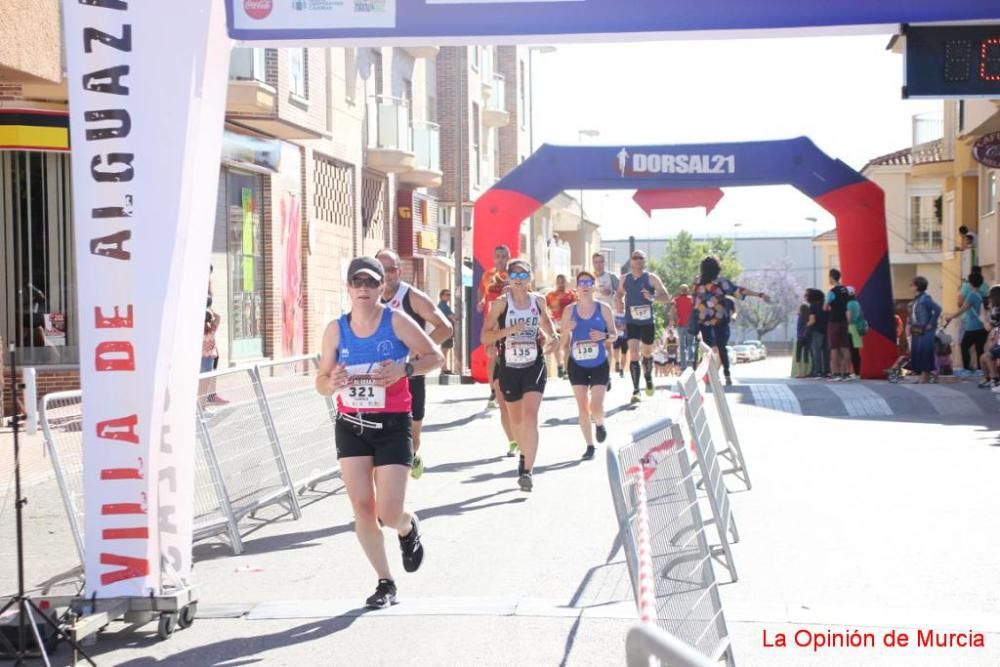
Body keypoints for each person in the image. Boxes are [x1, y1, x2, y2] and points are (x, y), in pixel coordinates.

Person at [315, 256, 443, 609]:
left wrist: (405, 368)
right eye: (357, 282)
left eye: (371, 282)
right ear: (348, 288)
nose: (364, 289)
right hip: (352, 425)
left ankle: (406, 527)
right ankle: (385, 582)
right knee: (362, 507)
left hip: (391, 425)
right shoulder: (335, 329)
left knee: (388, 512)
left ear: (380, 288)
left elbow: (435, 358)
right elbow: (321, 382)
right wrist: (332, 382)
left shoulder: (395, 321)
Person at [375, 250, 454, 480]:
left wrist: (418, 352)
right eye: (381, 269)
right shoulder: (369, 297)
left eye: (390, 269)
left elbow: (445, 327)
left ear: (399, 271)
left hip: (411, 376)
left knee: (412, 434)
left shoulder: (412, 297)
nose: (386, 275)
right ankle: (389, 481)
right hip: (380, 377)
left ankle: (411, 455)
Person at [482, 259, 558, 492]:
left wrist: (552, 339)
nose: (518, 278)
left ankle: (527, 470)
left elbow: (548, 327)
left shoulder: (539, 301)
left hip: (534, 364)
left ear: (529, 278)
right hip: (509, 366)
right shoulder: (501, 305)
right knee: (516, 421)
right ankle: (523, 452)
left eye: (523, 275)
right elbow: (485, 336)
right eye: (513, 274)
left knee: (531, 417)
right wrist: (508, 331)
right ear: (508, 278)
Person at [560, 270, 617, 461]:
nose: (584, 286)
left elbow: (615, 335)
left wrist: (603, 337)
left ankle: (600, 423)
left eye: (588, 283)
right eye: (581, 283)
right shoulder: (569, 310)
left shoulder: (604, 309)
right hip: (577, 364)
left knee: (596, 406)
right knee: (582, 407)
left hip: (599, 362)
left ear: (593, 287)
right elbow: (562, 338)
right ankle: (589, 446)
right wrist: (568, 328)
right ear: (576, 288)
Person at [691, 256, 769, 386]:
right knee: (722, 348)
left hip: (703, 321)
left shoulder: (697, 283)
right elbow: (738, 291)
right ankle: (726, 374)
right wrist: (758, 294)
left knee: (706, 349)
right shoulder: (722, 283)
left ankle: (705, 376)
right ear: (717, 268)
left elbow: (695, 302)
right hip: (719, 321)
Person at [615, 250, 671, 403]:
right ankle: (636, 390)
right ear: (631, 261)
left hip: (647, 322)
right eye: (635, 258)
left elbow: (666, 297)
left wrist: (652, 297)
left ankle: (648, 377)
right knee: (633, 353)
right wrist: (618, 301)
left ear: (644, 261)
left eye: (641, 258)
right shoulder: (624, 279)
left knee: (646, 353)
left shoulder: (652, 278)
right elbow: (619, 293)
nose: (638, 260)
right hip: (632, 321)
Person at [478, 244, 511, 410]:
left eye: (503, 256)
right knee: (492, 355)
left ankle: (506, 389)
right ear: (494, 257)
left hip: (508, 322)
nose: (500, 259)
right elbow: (481, 292)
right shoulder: (488, 275)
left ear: (508, 258)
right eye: (498, 256)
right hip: (491, 321)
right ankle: (492, 391)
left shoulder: (513, 275)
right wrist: (481, 301)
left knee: (505, 355)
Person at [944, 270, 987, 374]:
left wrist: (951, 316)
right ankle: (980, 370)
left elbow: (963, 309)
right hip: (983, 326)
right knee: (979, 348)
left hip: (972, 326)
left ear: (970, 283)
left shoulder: (972, 295)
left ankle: (967, 369)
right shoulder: (982, 294)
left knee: (964, 346)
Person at [907, 275, 942, 384]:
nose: (910, 286)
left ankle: (925, 375)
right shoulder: (917, 299)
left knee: (925, 352)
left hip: (925, 330)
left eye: (912, 285)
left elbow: (937, 309)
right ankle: (922, 375)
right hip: (917, 329)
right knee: (917, 352)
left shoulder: (925, 298)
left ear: (917, 286)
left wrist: (931, 323)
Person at [545, 274, 577, 379]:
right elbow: (544, 307)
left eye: (563, 281)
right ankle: (559, 365)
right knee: (556, 345)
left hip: (566, 323)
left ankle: (567, 369)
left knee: (567, 346)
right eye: (559, 282)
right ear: (556, 282)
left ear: (566, 282)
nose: (561, 284)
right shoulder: (550, 295)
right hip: (555, 324)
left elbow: (576, 307)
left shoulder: (571, 295)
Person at [824, 269, 852, 381]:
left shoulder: (832, 292)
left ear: (831, 277)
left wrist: (831, 306)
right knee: (846, 348)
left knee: (834, 348)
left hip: (834, 322)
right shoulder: (846, 290)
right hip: (844, 322)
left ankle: (835, 373)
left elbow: (825, 308)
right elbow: (848, 307)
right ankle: (846, 373)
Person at [199, 309, 223, 407]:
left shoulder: (198, 330)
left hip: (199, 360)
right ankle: (202, 408)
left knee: (198, 386)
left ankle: (198, 409)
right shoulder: (212, 329)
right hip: (208, 360)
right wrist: (210, 308)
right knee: (204, 387)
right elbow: (218, 316)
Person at [978, 285, 1000, 391]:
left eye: (990, 297)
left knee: (987, 356)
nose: (989, 299)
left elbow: (988, 327)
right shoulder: (996, 309)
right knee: (983, 357)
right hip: (997, 339)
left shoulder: (997, 310)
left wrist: (982, 315)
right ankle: (989, 378)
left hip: (998, 340)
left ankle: (995, 380)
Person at [806, 289, 830, 379]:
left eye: (807, 295)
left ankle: (818, 371)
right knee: (826, 352)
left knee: (816, 351)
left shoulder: (813, 306)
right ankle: (827, 371)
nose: (806, 297)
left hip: (817, 331)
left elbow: (812, 321)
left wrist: (806, 325)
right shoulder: (825, 305)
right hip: (826, 330)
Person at [673, 284, 695, 370]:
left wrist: (674, 320)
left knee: (682, 346)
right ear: (688, 290)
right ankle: (691, 362)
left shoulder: (676, 300)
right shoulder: (692, 300)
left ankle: (683, 365)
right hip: (690, 325)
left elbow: (674, 312)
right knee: (690, 344)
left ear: (680, 291)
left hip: (680, 325)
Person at [845, 286, 864, 380]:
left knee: (850, 351)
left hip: (851, 328)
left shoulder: (849, 304)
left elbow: (849, 318)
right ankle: (857, 372)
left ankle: (852, 372)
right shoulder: (857, 303)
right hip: (857, 328)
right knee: (855, 351)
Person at [437, 289, 458, 374]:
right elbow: (452, 316)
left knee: (446, 349)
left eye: (449, 294)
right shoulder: (443, 305)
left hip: (446, 330)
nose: (448, 296)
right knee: (445, 349)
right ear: (442, 296)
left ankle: (444, 367)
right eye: (446, 294)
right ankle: (444, 368)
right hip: (445, 330)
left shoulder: (445, 305)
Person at [792, 303, 811, 378]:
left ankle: (799, 373)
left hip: (800, 338)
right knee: (806, 355)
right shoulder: (808, 317)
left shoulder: (800, 317)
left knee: (798, 355)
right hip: (807, 338)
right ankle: (805, 373)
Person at [612, 306, 628, 378]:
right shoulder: (614, 313)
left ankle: (622, 369)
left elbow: (630, 324)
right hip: (616, 336)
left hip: (625, 336)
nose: (621, 305)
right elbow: (611, 323)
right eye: (619, 303)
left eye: (622, 303)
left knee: (624, 354)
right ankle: (617, 362)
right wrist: (616, 327)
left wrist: (624, 327)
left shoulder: (627, 314)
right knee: (616, 350)